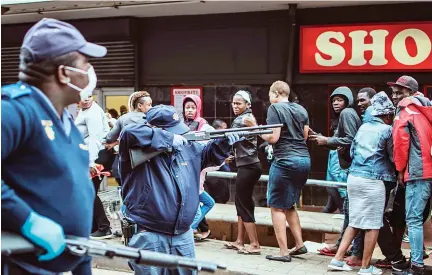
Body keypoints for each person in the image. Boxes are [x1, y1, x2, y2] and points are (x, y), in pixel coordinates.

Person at [1, 18, 106, 274]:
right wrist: (27, 220)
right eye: (86, 64)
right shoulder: (15, 110)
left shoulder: (66, 121)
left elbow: (75, 198)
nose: (91, 72)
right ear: (63, 73)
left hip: (68, 263)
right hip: (23, 266)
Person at [118, 105, 241, 275]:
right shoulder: (134, 145)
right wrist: (167, 140)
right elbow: (128, 132)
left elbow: (207, 155)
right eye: (172, 131)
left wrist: (224, 143)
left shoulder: (187, 146)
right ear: (155, 129)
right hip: (148, 234)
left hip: (183, 234)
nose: (179, 134)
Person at [328, 92, 396, 275]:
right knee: (373, 225)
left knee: (355, 221)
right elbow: (393, 157)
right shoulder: (387, 130)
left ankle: (337, 260)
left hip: (354, 178)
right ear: (387, 115)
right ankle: (365, 267)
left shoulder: (363, 128)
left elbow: (351, 151)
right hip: (373, 181)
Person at [245, 81, 311, 262]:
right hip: (304, 161)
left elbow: (273, 138)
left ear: (275, 94)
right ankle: (299, 244)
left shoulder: (275, 109)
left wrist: (254, 126)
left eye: (269, 95)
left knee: (276, 206)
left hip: (284, 161)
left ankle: (283, 252)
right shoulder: (301, 110)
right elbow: (305, 136)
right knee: (289, 204)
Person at [310, 86, 363, 266]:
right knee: (350, 212)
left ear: (348, 101)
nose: (336, 103)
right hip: (350, 168)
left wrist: (327, 141)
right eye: (333, 100)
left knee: (352, 212)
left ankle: (355, 252)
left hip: (352, 170)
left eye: (340, 99)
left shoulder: (347, 113)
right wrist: (325, 140)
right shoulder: (346, 115)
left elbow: (351, 140)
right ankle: (344, 246)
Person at [391, 78, 432, 275]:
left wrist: (399, 170)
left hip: (418, 172)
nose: (395, 96)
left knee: (413, 219)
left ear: (410, 92)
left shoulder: (405, 111)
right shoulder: (426, 110)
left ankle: (416, 265)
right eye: (394, 93)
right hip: (429, 169)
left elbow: (400, 144)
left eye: (399, 92)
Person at [224, 90, 262, 255]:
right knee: (241, 203)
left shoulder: (243, 119)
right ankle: (240, 240)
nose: (235, 106)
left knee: (244, 204)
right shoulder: (247, 118)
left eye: (238, 103)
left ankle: (254, 244)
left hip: (248, 166)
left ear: (248, 105)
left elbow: (227, 138)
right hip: (248, 164)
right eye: (233, 103)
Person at [75, 94, 113, 239]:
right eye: (83, 96)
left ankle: (104, 227)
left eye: (89, 96)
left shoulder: (92, 114)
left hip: (97, 156)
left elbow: (94, 139)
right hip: (94, 155)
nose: (87, 99)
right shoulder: (85, 111)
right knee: (89, 192)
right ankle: (95, 227)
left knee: (88, 191)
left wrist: (91, 163)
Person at [182, 94, 216, 240]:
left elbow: (212, 140)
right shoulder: (180, 125)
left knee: (205, 203)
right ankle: (190, 228)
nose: (189, 110)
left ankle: (190, 228)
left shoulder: (203, 125)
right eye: (187, 107)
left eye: (192, 107)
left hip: (197, 170)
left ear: (198, 108)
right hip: (185, 170)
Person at [205, 119, 232, 204]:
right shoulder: (212, 141)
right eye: (224, 128)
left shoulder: (223, 139)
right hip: (214, 176)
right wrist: (223, 160)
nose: (226, 130)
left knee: (224, 197)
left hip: (223, 174)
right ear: (217, 128)